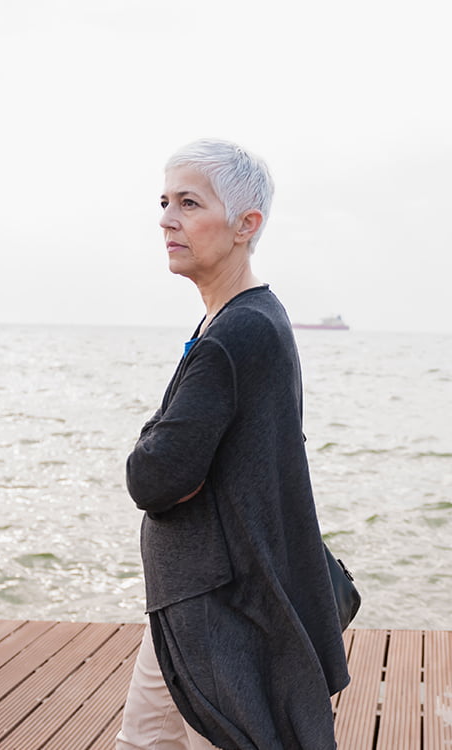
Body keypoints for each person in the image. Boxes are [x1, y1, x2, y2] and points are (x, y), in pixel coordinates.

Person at [115, 139, 350, 750]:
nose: (167, 218)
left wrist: (156, 443)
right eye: (164, 201)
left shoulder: (236, 333)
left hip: (219, 610)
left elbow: (154, 476)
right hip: (196, 596)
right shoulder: (245, 318)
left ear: (247, 224)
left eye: (189, 203)